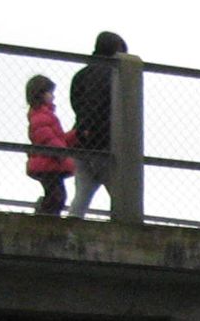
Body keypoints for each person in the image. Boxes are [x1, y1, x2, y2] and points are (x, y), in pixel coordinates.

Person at [66, 30, 128, 217]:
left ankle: (71, 228)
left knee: (82, 194)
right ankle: (125, 229)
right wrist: (91, 127)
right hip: (104, 143)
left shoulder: (82, 74)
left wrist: (83, 127)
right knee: (121, 194)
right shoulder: (112, 74)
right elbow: (98, 103)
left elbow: (76, 102)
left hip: (82, 143)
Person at [22, 75, 74, 216]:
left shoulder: (43, 114)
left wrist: (73, 136)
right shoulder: (41, 115)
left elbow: (56, 138)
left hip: (49, 162)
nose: (53, 96)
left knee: (56, 195)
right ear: (41, 94)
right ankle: (44, 216)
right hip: (49, 163)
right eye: (50, 93)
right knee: (57, 196)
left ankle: (45, 214)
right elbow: (46, 137)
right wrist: (61, 151)